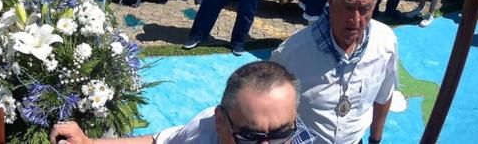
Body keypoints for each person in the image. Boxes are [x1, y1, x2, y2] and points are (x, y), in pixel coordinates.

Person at [272, 0, 397, 144]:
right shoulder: (292, 52)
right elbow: (269, 109)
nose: (355, 20)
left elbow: (384, 96)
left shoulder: (385, 43)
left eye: (364, 9)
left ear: (375, 3)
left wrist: (375, 140)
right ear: (330, 1)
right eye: (348, 7)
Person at [50, 60, 315, 144]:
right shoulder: (204, 130)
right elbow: (157, 141)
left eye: (281, 133)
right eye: (249, 136)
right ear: (219, 119)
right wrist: (89, 142)